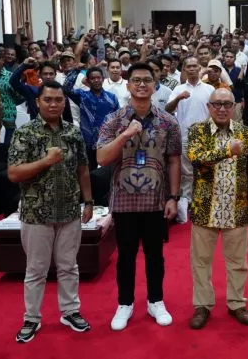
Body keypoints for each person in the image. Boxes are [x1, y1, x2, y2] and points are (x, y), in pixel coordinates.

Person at [96, 63, 181, 331]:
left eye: (147, 80)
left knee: (155, 255)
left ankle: (156, 300)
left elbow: (174, 160)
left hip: (156, 200)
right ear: (128, 84)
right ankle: (125, 303)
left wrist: (173, 197)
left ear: (155, 85)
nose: (142, 84)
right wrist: (125, 135)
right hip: (124, 200)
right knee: (126, 255)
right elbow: (102, 158)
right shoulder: (114, 120)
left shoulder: (168, 121)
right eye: (136, 80)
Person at [7, 81, 93, 343]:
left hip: (69, 210)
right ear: (37, 102)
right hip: (37, 213)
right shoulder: (25, 132)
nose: (53, 104)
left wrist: (89, 201)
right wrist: (46, 161)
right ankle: (32, 318)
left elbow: (82, 168)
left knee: (69, 266)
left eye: (58, 100)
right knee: (36, 270)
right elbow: (14, 173)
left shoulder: (73, 132)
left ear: (64, 102)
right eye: (48, 100)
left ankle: (70, 311)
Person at [186, 89, 248, 329]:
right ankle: (202, 305)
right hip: (204, 208)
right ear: (209, 106)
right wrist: (228, 151)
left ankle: (236, 303)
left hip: (237, 208)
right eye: (217, 104)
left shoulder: (246, 133)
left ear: (234, 107)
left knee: (238, 261)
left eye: (227, 104)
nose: (222, 109)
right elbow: (196, 158)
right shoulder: (197, 130)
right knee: (200, 262)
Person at [166, 56, 215, 223]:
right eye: (189, 66)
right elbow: (168, 109)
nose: (192, 69)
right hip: (184, 136)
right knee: (186, 173)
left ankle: (205, 203)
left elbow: (215, 111)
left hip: (205, 137)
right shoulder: (178, 89)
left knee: (205, 170)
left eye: (195, 66)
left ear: (199, 68)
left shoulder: (209, 89)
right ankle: (186, 203)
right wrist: (178, 98)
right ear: (184, 69)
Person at [63, 66, 120, 170]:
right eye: (92, 78)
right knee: (89, 172)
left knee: (108, 172)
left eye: (98, 78)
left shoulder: (112, 98)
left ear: (103, 79)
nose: (96, 80)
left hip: (107, 142)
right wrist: (76, 70)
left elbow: (119, 119)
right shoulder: (82, 96)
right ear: (88, 81)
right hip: (87, 143)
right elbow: (66, 88)